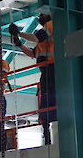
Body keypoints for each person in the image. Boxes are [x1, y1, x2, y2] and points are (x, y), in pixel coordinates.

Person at [9, 13, 57, 146]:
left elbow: (36, 37)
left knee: (52, 106)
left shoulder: (53, 25)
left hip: (55, 72)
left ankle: (52, 137)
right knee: (45, 108)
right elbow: (32, 53)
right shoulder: (45, 39)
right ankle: (47, 138)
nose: (40, 16)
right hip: (46, 74)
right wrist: (19, 44)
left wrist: (19, 33)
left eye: (42, 14)